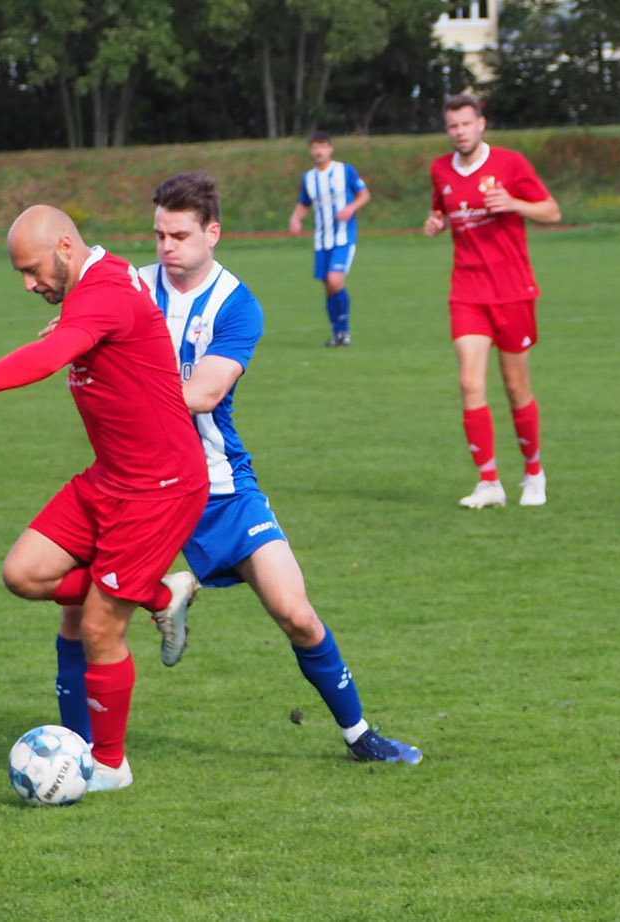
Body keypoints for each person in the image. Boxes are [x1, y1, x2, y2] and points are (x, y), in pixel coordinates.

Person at [0, 205, 208, 793]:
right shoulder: (97, 281)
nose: (27, 284)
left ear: (66, 247)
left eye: (32, 269)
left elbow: (46, 359)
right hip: (110, 478)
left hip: (159, 488)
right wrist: (75, 324)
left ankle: (111, 766)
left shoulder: (105, 292)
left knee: (98, 625)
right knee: (24, 573)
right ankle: (158, 592)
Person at [118, 170, 419, 764]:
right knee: (80, 606)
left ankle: (360, 735)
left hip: (220, 484)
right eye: (159, 235)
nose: (165, 247)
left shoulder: (237, 304)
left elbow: (204, 393)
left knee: (296, 614)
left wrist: (121, 385)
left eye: (179, 235)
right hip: (140, 482)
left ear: (213, 233)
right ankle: (92, 744)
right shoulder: (130, 286)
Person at [423, 94, 560, 509]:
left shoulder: (510, 163)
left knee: (516, 387)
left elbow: (552, 212)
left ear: (481, 124)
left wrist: (514, 204)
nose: (460, 132)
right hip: (467, 291)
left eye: (466, 124)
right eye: (453, 126)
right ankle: (489, 483)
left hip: (513, 291)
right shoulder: (440, 169)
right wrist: (435, 222)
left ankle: (533, 473)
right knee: (469, 382)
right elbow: (442, 210)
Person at [288, 131, 370, 347]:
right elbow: (304, 202)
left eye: (323, 145)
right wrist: (296, 219)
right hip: (321, 240)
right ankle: (338, 334)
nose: (319, 150)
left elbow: (364, 195)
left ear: (330, 148)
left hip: (343, 237)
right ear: (310, 150)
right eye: (315, 146)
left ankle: (345, 331)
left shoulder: (345, 170)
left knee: (335, 281)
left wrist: (351, 208)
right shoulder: (309, 177)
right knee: (328, 287)